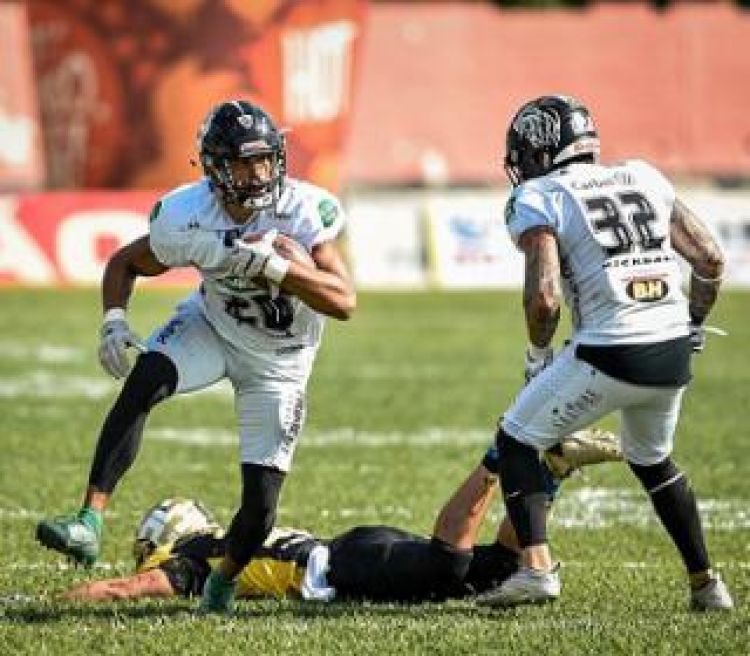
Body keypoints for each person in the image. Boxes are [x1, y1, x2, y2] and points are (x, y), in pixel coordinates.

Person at [36, 100, 356, 615]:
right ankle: (89, 519)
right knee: (146, 378)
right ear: (213, 168)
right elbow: (126, 262)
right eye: (242, 163)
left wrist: (278, 270)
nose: (257, 175)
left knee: (261, 506)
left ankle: (222, 582)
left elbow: (343, 301)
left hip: (280, 362)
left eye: (265, 160)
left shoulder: (302, 210)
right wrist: (113, 319)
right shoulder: (186, 216)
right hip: (211, 325)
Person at [476, 95, 733, 611]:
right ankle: (707, 584)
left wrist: (537, 354)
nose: (522, 165)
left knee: (516, 439)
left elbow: (544, 296)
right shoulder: (643, 175)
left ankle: (536, 570)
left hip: (611, 349)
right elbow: (710, 258)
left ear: (543, 150)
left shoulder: (540, 194)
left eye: (525, 153)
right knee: (653, 460)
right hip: (670, 350)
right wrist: (693, 325)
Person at [61, 429, 621, 604]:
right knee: (500, 569)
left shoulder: (192, 553)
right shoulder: (214, 542)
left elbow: (124, 589)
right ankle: (548, 472)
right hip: (351, 554)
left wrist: (52, 603)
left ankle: (498, 460)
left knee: (446, 566)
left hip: (345, 563)